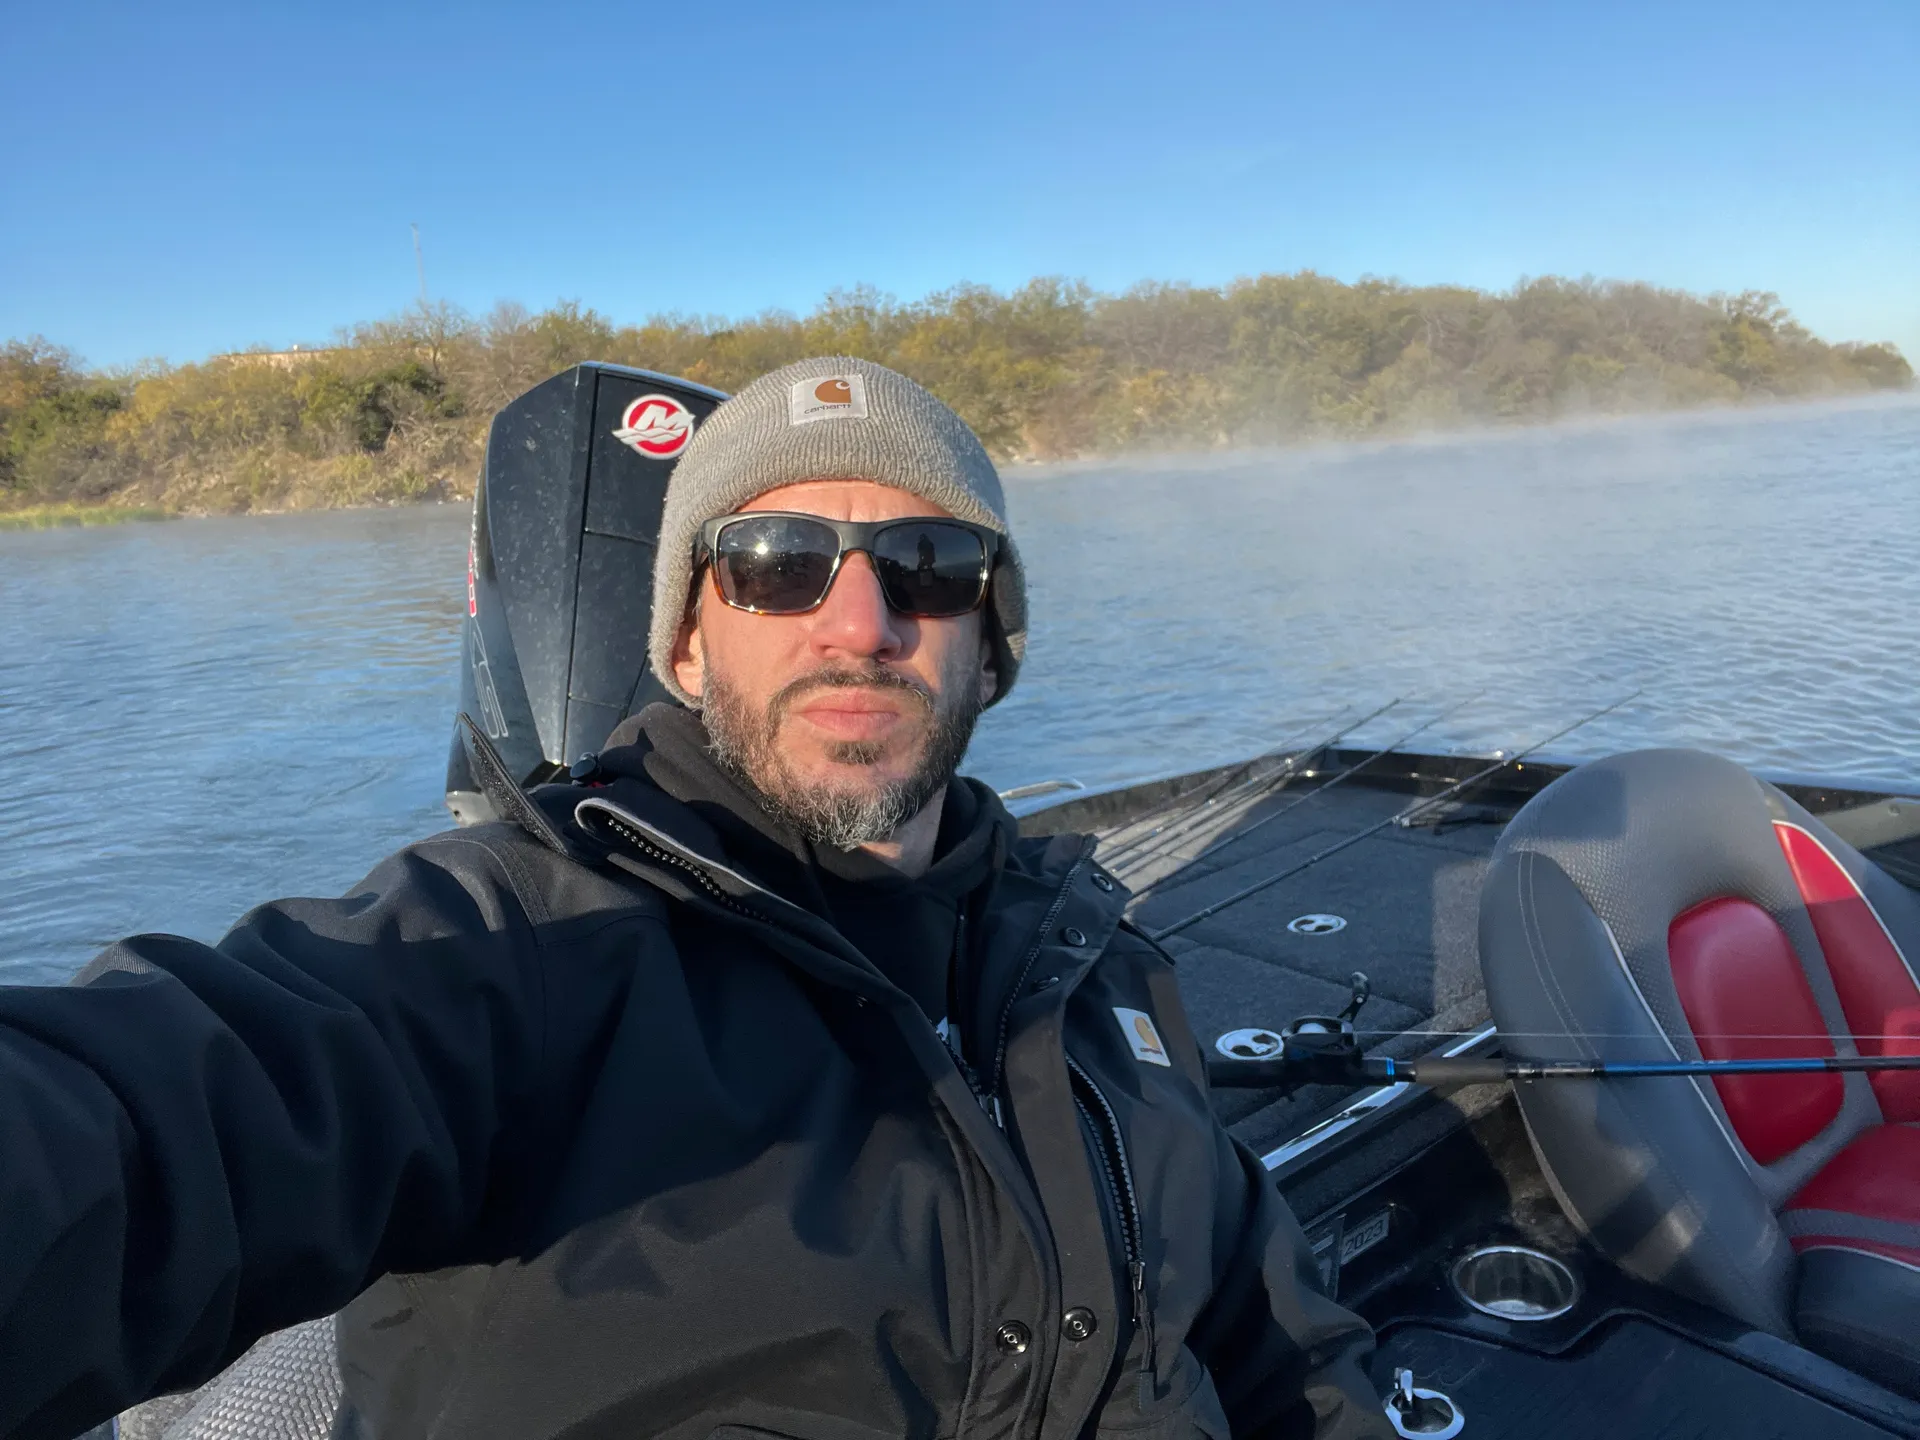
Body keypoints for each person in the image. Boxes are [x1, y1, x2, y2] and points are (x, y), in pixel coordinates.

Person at [0, 357, 1392, 1440]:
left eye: (931, 567)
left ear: (991, 648)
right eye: (777, 565)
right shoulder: (523, 947)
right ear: (682, 634)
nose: (861, 622)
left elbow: (1287, 1348)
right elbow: (172, 1115)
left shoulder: (1099, 967)